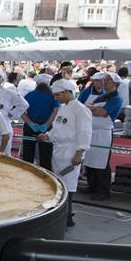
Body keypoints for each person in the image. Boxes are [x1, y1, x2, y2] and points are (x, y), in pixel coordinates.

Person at [37, 79, 91, 228]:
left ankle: (67, 216)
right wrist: (47, 135)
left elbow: (85, 133)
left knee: (69, 186)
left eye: (58, 95)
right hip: (59, 150)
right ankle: (61, 215)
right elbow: (57, 129)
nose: (56, 98)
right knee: (60, 184)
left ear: (67, 92)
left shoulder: (80, 109)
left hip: (71, 151)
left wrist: (79, 153)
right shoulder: (62, 109)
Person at [83, 72, 123, 201]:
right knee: (89, 160)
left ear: (115, 84)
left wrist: (92, 109)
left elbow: (102, 112)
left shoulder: (117, 99)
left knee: (101, 162)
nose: (104, 82)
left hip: (103, 133)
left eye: (108, 80)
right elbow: (91, 109)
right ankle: (92, 185)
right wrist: (93, 108)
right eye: (104, 80)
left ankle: (103, 190)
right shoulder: (101, 97)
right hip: (92, 131)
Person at [20, 82, 60, 170]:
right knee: (46, 155)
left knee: (27, 154)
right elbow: (56, 111)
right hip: (46, 125)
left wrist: (30, 123)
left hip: (30, 125)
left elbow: (21, 111)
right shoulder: (52, 96)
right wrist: (47, 124)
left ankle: (26, 173)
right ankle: (46, 175)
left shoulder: (29, 95)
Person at [0, 70, 29, 156]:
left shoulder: (9, 93)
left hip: (4, 127)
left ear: (2, 79)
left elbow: (24, 104)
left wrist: (11, 114)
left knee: (4, 155)